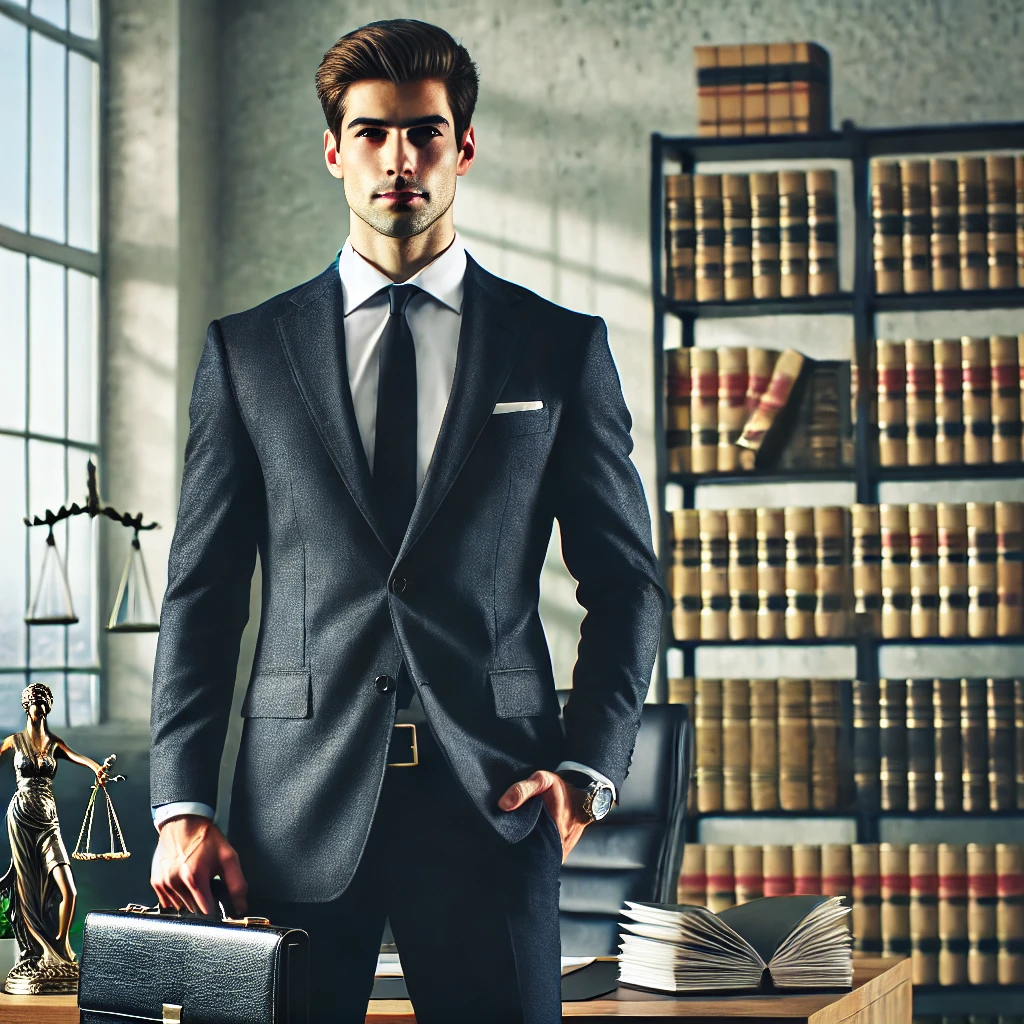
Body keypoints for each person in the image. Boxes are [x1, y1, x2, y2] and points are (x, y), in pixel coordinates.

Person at [149, 17, 664, 1024]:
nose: (400, 160)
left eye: (424, 133)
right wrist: (182, 807)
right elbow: (202, 596)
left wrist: (590, 771)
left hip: (494, 805)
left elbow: (626, 583)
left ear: (462, 148)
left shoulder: (557, 349)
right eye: (373, 133)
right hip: (287, 815)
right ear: (334, 149)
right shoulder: (248, 352)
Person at [0, 682, 111, 993]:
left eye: (43, 701)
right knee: (27, 884)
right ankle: (36, 951)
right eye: (34, 701)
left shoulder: (54, 744)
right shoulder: (14, 741)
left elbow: (83, 760)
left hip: (49, 818)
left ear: (47, 706)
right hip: (21, 815)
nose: (38, 706)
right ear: (26, 706)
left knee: (68, 889)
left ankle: (60, 948)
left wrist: (97, 770)